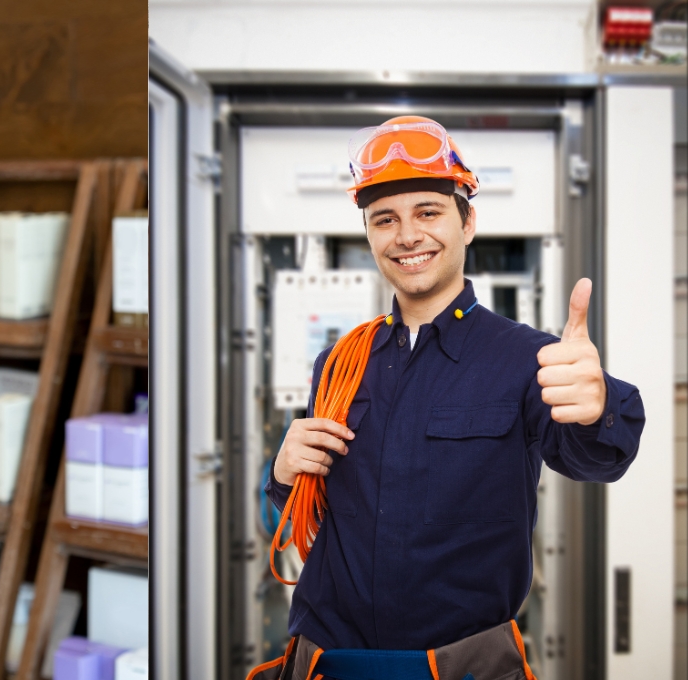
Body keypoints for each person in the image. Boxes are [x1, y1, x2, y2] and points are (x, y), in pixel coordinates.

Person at [263, 116, 644, 679]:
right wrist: (280, 474)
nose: (407, 236)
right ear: (369, 235)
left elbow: (599, 459)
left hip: (462, 667)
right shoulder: (340, 362)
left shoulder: (528, 360)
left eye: (428, 212)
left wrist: (598, 407)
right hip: (325, 662)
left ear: (467, 222)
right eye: (385, 219)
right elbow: (302, 518)